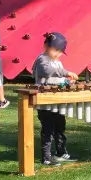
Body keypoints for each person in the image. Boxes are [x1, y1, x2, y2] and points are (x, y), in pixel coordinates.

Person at [32, 32, 78, 166]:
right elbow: (47, 72)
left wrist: (67, 81)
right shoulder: (42, 59)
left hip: (57, 102)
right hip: (45, 103)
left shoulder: (58, 62)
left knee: (60, 127)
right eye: (56, 50)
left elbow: (58, 79)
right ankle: (46, 157)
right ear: (46, 46)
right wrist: (66, 73)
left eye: (61, 51)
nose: (58, 54)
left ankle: (61, 152)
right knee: (48, 130)